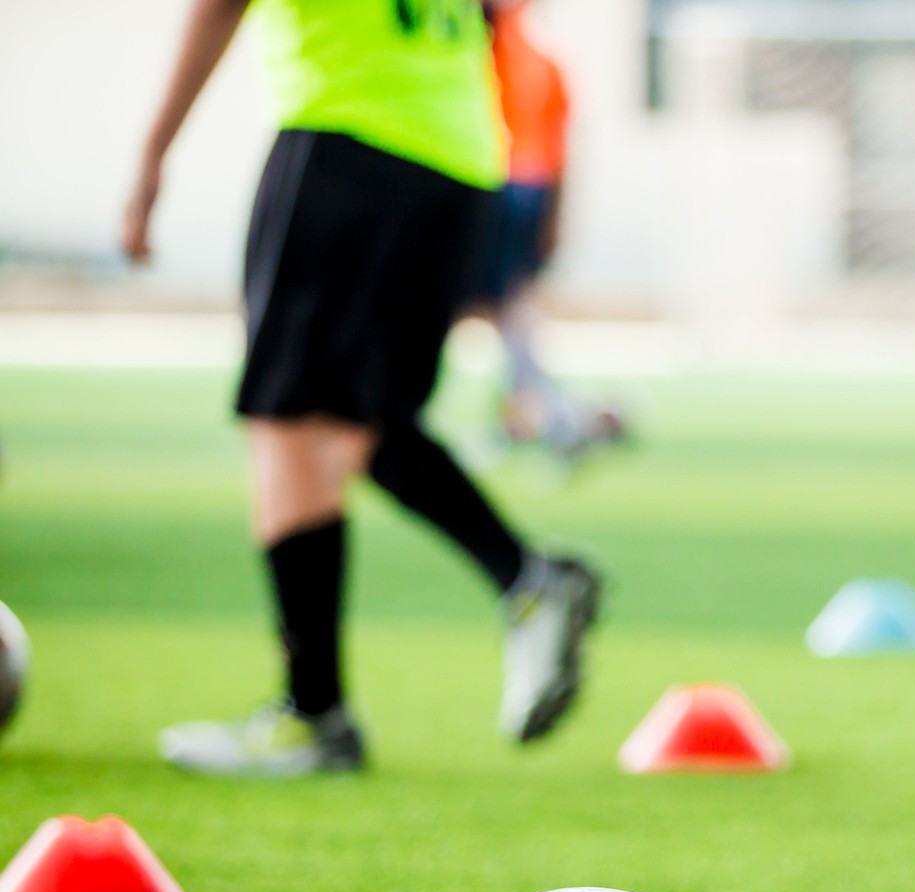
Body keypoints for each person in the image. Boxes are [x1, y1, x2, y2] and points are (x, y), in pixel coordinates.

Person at [122, 0, 601, 777]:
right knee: (359, 423)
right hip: (460, 153)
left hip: (349, 135)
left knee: (287, 418)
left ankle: (316, 715)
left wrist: (151, 157)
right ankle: (529, 581)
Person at [474, 0, 626, 460]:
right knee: (511, 311)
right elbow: (562, 157)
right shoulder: (543, 63)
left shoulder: (496, 57)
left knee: (505, 312)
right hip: (526, 189)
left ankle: (553, 417)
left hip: (501, 185)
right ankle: (534, 417)